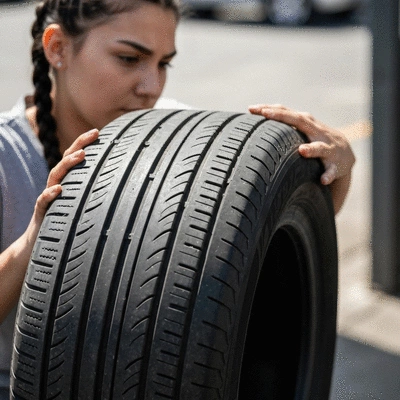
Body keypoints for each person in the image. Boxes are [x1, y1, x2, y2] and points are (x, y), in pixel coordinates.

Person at [0, 0, 356, 397]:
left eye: (163, 64)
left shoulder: (174, 140)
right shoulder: (5, 158)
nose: (151, 86)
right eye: (129, 58)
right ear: (58, 48)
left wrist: (331, 170)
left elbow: (265, 243)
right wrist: (37, 239)